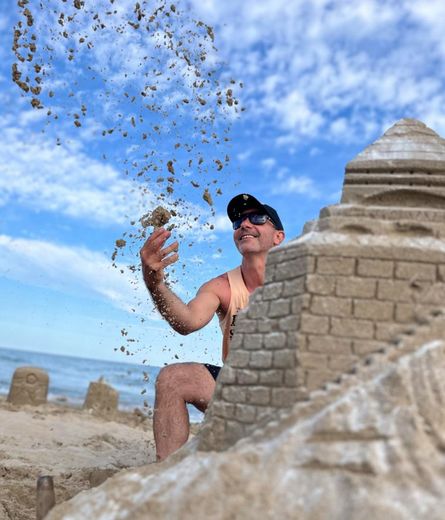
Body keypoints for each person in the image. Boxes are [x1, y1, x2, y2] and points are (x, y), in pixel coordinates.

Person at [140, 193, 285, 461]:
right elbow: (187, 322)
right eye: (239, 221)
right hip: (237, 392)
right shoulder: (221, 287)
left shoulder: (303, 281)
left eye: (257, 217)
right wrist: (154, 282)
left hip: (291, 396)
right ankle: (165, 477)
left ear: (278, 237)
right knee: (173, 378)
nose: (245, 224)